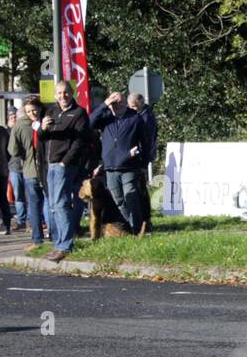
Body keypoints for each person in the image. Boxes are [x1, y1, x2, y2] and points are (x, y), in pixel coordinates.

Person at [40, 81, 93, 261]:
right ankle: (59, 243)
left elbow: (80, 141)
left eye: (66, 93)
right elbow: (43, 139)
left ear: (72, 94)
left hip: (64, 165)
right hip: (51, 164)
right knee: (54, 206)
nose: (62, 96)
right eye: (59, 93)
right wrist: (43, 128)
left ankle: (65, 245)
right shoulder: (52, 112)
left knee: (61, 204)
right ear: (55, 95)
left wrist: (65, 162)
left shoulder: (78, 113)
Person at [90, 91, 149, 234]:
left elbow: (145, 142)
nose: (118, 105)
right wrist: (104, 104)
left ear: (125, 102)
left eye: (121, 102)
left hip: (130, 166)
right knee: (119, 200)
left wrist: (143, 163)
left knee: (131, 197)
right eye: (114, 102)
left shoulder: (135, 118)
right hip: (110, 167)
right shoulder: (105, 118)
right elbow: (90, 122)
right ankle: (133, 226)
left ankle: (137, 229)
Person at [9, 96, 47, 252]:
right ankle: (54, 236)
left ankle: (38, 239)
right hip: (46, 170)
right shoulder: (47, 120)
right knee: (50, 204)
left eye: (33, 110)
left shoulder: (19, 126)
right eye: (30, 111)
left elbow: (13, 151)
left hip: (30, 170)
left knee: (35, 205)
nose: (32, 113)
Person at [127, 93, 157, 232]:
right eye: (130, 106)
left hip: (141, 158)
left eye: (135, 106)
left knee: (141, 190)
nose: (132, 108)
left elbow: (148, 140)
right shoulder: (140, 115)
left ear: (141, 103)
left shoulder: (146, 117)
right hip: (136, 157)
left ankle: (146, 220)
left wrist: (144, 159)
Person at [6, 110, 25, 234]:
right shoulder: (6, 132)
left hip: (25, 166)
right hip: (14, 167)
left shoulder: (21, 129)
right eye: (11, 117)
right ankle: (21, 219)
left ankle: (29, 219)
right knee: (18, 195)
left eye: (15, 116)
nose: (13, 118)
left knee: (30, 195)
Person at [0, 112, 10, 234]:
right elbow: (9, 152)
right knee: (3, 198)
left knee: (3, 198)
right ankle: (7, 224)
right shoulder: (2, 131)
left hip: (2, 169)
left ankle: (6, 224)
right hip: (2, 169)